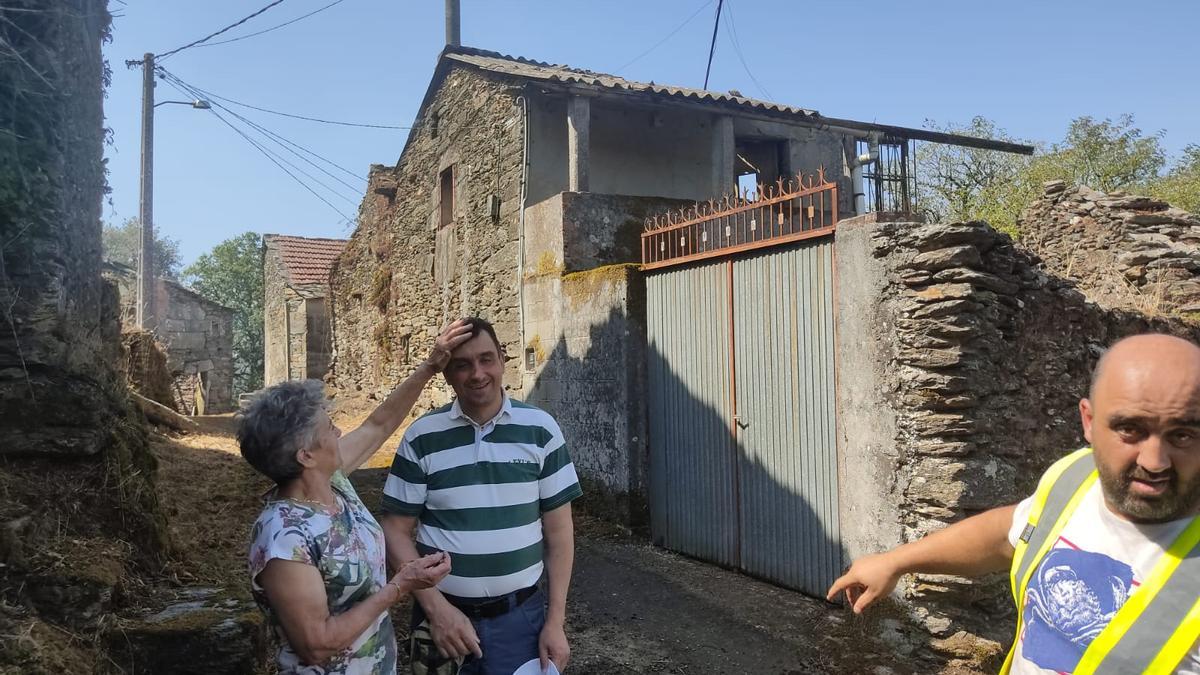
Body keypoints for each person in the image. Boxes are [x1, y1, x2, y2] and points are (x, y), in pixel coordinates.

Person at [828, 333, 1200, 674]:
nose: (1155, 461)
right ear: (1088, 421)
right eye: (1130, 430)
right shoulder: (1074, 477)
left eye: (1182, 435)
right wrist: (895, 561)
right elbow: (1010, 534)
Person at [239, 319, 473, 674]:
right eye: (328, 427)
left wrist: (429, 366)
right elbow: (316, 644)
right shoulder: (283, 538)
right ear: (306, 455)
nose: (339, 429)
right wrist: (400, 586)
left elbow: (378, 425)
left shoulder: (332, 482)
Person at [381, 317, 583, 675]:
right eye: (462, 365)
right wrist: (437, 610)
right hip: (441, 622)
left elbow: (560, 534)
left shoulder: (541, 430)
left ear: (503, 360)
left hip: (522, 622)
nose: (477, 373)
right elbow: (394, 531)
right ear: (446, 374)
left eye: (486, 359)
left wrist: (556, 621)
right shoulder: (422, 436)